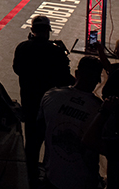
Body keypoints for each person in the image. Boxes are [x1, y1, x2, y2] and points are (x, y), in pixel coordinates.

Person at [13, 15, 73, 187]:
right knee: (52, 140)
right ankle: (49, 175)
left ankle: (29, 174)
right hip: (50, 104)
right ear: (47, 31)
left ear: (32, 31)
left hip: (30, 101)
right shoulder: (55, 51)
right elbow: (64, 79)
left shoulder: (23, 48)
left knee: (31, 142)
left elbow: (17, 69)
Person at [37, 56, 104, 189]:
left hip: (52, 176)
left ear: (76, 74)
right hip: (83, 181)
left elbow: (38, 131)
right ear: (97, 81)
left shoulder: (51, 96)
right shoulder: (100, 110)